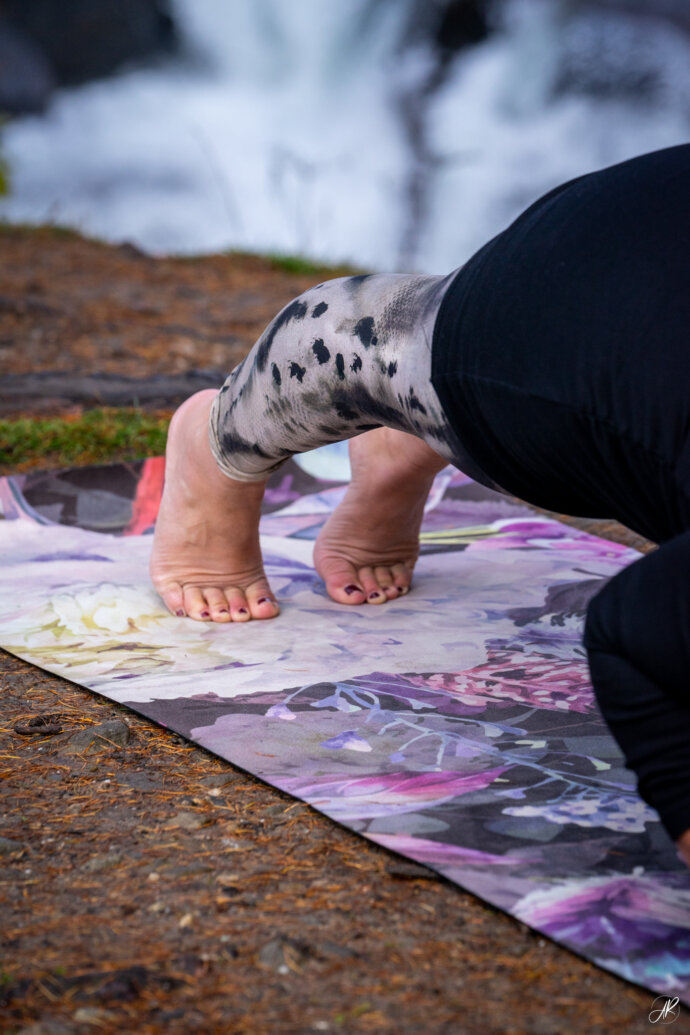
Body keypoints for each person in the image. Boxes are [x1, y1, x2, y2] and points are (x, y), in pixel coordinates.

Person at [150, 144, 690, 864]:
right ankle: (218, 445)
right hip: (603, 273)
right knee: (375, 343)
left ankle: (418, 429)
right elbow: (636, 628)